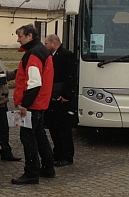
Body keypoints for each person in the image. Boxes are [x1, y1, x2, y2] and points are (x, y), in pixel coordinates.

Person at [11, 24, 55, 185]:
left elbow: (34, 83)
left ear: (29, 36)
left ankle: (31, 172)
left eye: (20, 36)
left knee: (28, 138)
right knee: (39, 136)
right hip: (41, 103)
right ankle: (48, 167)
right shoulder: (42, 51)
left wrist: (25, 104)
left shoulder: (34, 54)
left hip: (33, 104)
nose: (18, 40)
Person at [44, 34, 78, 167]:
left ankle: (67, 156)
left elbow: (71, 77)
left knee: (64, 130)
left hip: (63, 99)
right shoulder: (52, 56)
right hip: (53, 97)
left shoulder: (67, 55)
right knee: (54, 128)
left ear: (54, 43)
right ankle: (57, 153)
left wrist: (67, 95)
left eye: (46, 43)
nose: (45, 46)